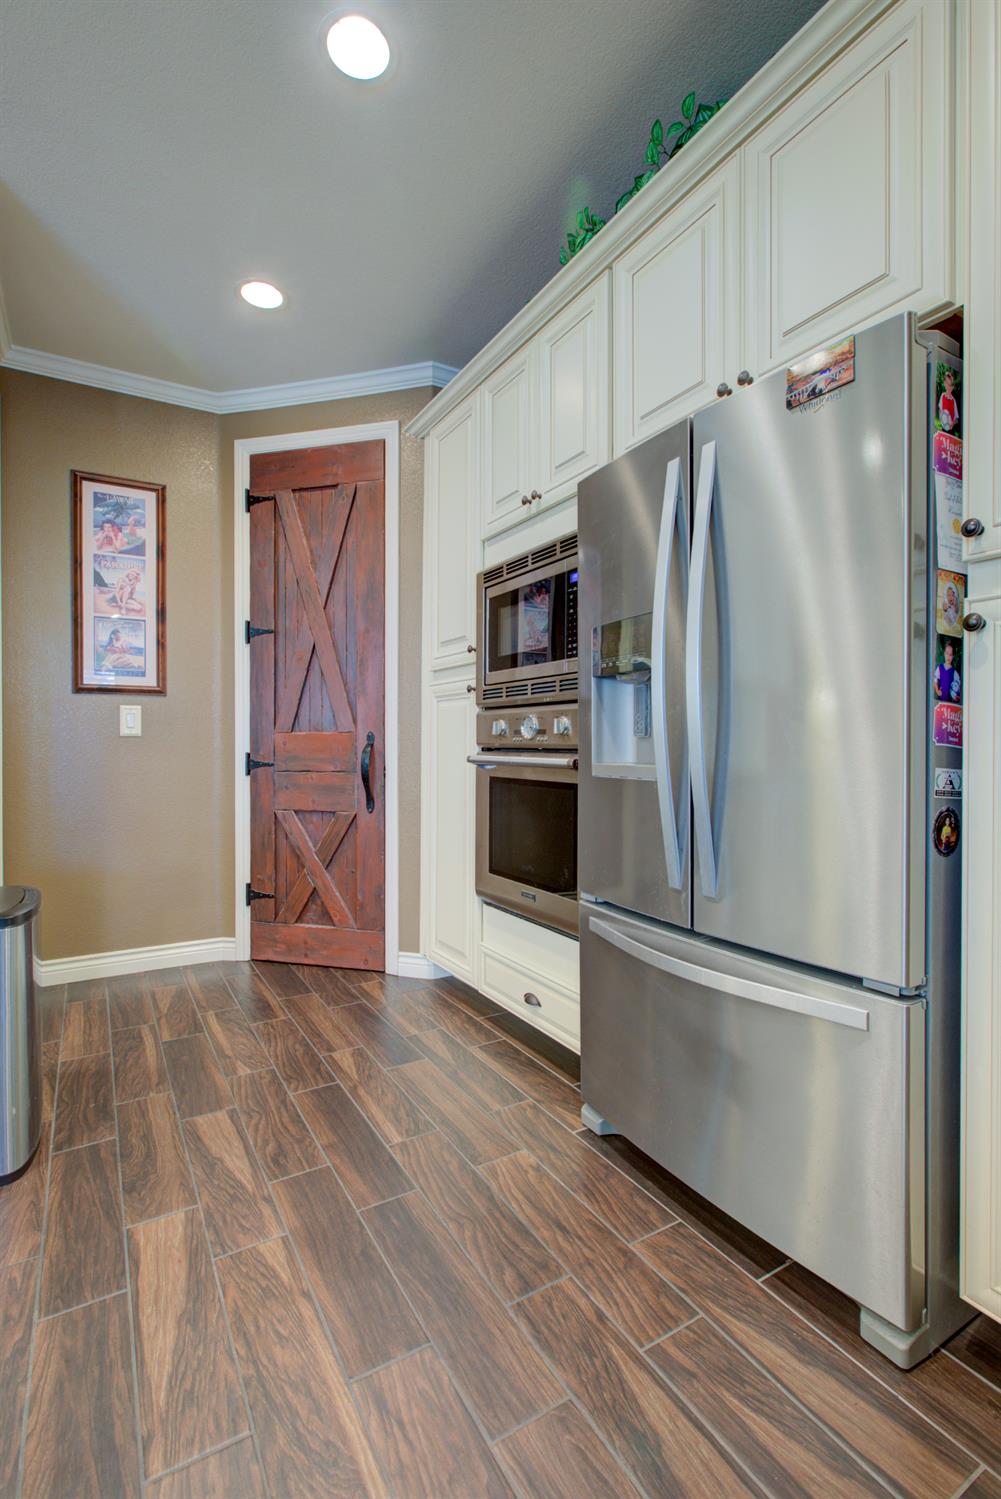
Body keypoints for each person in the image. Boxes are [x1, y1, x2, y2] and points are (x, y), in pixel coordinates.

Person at [938, 369, 959, 433]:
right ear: (944, 384)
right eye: (947, 383)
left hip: (950, 429)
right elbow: (940, 410)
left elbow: (956, 419)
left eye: (950, 385)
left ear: (952, 387)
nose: (949, 387)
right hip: (943, 427)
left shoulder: (953, 401)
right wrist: (941, 419)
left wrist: (953, 423)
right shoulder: (942, 396)